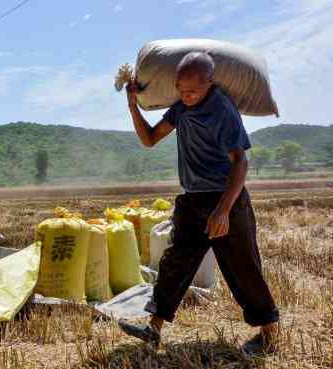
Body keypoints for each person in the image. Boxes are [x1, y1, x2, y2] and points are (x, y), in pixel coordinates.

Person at [119, 51, 279, 356]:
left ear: (208, 83)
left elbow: (241, 162)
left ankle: (269, 331)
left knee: (243, 268)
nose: (186, 96)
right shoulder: (181, 108)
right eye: (181, 89)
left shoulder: (222, 109)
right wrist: (132, 107)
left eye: (192, 91)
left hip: (225, 199)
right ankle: (153, 328)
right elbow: (150, 139)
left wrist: (223, 210)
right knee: (175, 263)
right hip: (192, 201)